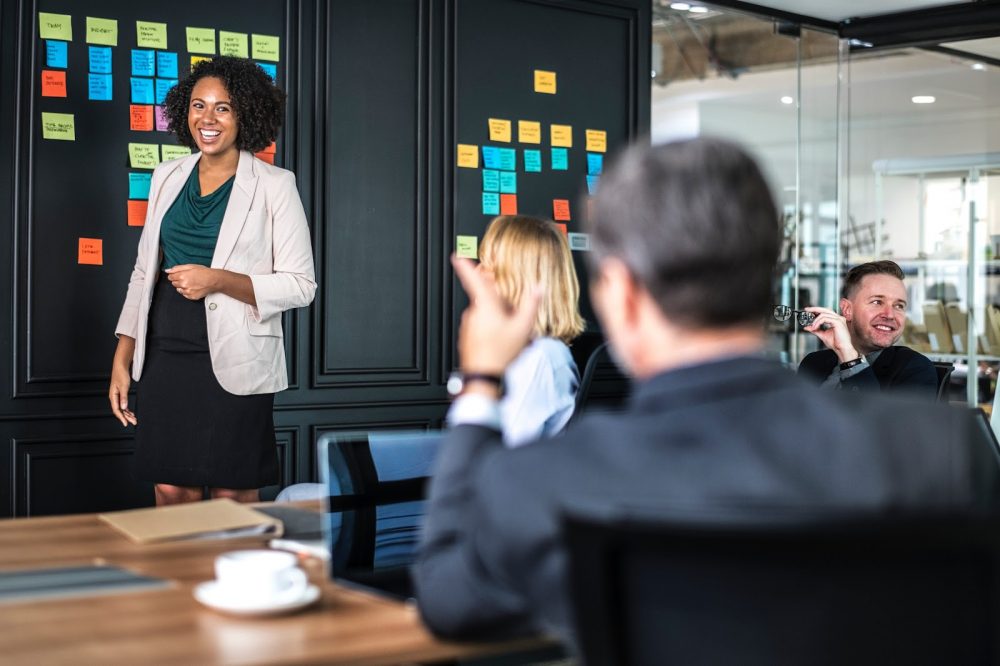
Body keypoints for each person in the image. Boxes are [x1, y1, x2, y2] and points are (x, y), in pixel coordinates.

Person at [414, 138, 999, 648]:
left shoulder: (552, 480)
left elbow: (446, 599)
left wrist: (481, 382)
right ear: (766, 280)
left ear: (620, 294)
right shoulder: (943, 454)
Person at [109, 57, 316, 506]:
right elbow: (143, 273)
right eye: (199, 105)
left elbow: (301, 285)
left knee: (232, 490)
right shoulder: (166, 176)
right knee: (170, 486)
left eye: (223, 108)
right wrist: (122, 358)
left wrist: (218, 279)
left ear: (246, 115)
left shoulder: (275, 184)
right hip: (164, 353)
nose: (208, 118)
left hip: (237, 358)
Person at [469, 215, 585, 447]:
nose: (478, 273)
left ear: (522, 282)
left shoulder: (539, 358)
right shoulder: (523, 352)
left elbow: (503, 455)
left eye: (489, 266)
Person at [798, 260, 937, 398]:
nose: (890, 315)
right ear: (847, 309)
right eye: (877, 302)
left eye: (899, 306)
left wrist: (850, 359)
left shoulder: (916, 369)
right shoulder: (813, 364)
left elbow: (877, 413)